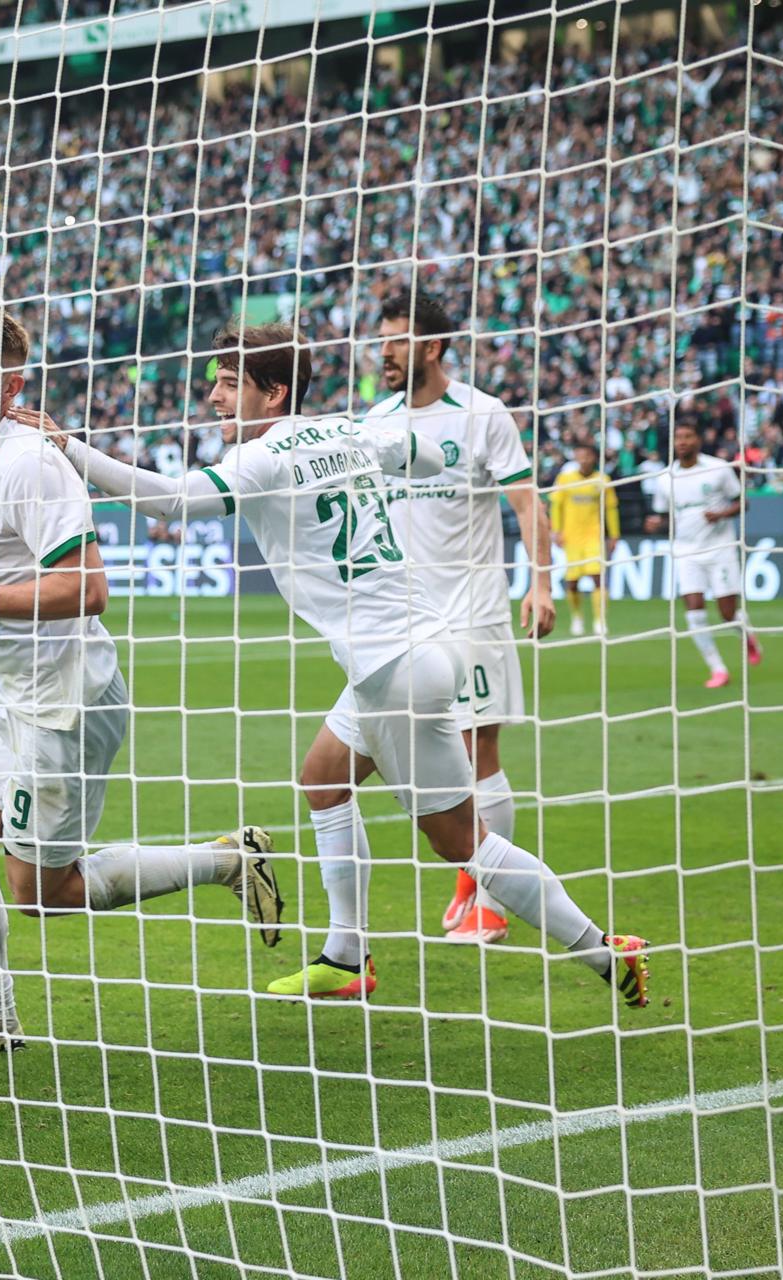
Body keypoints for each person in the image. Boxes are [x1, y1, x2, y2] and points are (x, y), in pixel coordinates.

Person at [31, 322, 652, 1009]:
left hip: (396, 670)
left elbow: (175, 500)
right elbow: (427, 453)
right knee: (324, 778)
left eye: (230, 385)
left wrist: (71, 448)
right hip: (406, 655)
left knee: (462, 844)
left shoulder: (263, 459)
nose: (212, 398)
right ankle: (345, 954)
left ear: (275, 394)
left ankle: (603, 948)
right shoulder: (349, 429)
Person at [0, 303, 281, 1061]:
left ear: (9, 384)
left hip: (66, 695)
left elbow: (88, 588)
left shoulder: (30, 461)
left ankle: (230, 859)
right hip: (7, 686)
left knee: (42, 893)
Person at [351, 290, 557, 947]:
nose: (382, 351)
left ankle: (489, 903)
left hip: (472, 609)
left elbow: (526, 503)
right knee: (404, 760)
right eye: (379, 339)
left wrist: (541, 583)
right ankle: (473, 879)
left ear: (433, 347)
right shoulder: (375, 422)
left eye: (396, 339)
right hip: (401, 620)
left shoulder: (483, 414)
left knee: (477, 750)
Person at [646, 421, 762, 688]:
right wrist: (656, 524)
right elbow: (666, 517)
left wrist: (721, 514)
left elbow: (742, 502)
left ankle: (747, 636)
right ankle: (718, 668)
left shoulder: (718, 469)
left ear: (698, 440)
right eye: (679, 438)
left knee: (727, 613)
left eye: (688, 436)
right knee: (694, 610)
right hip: (685, 551)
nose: (683, 442)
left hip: (720, 548)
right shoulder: (664, 478)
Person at [550, 441, 620, 637]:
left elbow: (611, 508)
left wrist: (614, 534)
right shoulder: (565, 479)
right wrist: (556, 530)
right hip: (571, 537)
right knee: (572, 581)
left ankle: (600, 620)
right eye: (580, 455)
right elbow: (556, 506)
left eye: (587, 455)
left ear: (594, 457)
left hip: (593, 537)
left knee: (598, 578)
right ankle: (577, 617)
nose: (583, 459)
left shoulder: (602, 480)